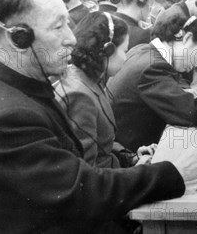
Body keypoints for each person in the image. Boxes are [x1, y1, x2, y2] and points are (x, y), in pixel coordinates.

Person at [0, 0, 197, 233]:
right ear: (19, 38)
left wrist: (134, 163)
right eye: (58, 27)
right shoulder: (6, 116)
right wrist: (175, 171)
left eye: (68, 24)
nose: (72, 38)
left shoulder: (17, 89)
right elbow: (84, 192)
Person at [108, 15, 197, 150]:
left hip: (122, 143)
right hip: (130, 154)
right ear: (187, 38)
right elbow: (190, 115)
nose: (195, 63)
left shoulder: (143, 50)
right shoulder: (153, 68)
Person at [54, 12, 136, 168]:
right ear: (108, 50)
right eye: (125, 50)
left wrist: (130, 157)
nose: (126, 58)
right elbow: (89, 169)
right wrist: (138, 174)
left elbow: (100, 142)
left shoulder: (87, 78)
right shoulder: (79, 95)